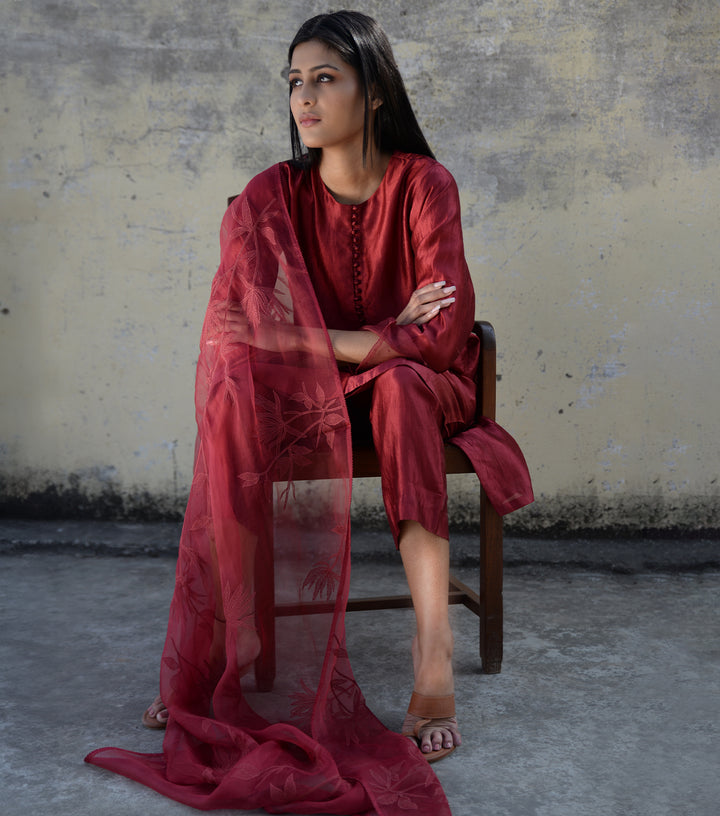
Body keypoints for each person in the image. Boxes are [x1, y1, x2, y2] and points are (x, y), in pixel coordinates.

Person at [86, 11, 532, 815]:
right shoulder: (271, 195)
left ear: (374, 90)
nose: (304, 96)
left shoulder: (425, 185)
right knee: (235, 402)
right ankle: (221, 650)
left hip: (424, 394)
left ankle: (433, 656)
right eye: (294, 81)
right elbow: (240, 331)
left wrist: (344, 344)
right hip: (316, 393)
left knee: (398, 389)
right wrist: (376, 337)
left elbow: (441, 340)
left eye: (325, 78)